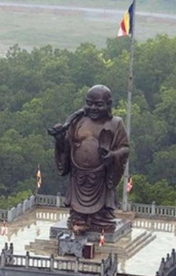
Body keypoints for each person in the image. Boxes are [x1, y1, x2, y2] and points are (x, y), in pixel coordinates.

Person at [50, 85, 130, 234]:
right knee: (77, 214)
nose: (93, 107)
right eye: (89, 103)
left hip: (101, 175)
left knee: (102, 216)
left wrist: (112, 156)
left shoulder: (115, 124)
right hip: (78, 174)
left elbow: (124, 148)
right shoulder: (78, 122)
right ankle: (78, 218)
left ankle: (99, 219)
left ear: (108, 104)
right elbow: (68, 144)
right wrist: (60, 139)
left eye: (98, 104)